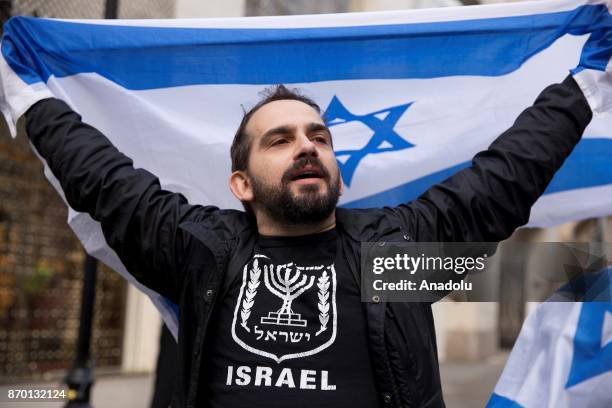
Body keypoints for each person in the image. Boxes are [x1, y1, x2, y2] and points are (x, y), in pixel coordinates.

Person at [24, 75, 592, 407]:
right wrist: (25, 97)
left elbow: (502, 180)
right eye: (280, 139)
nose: (307, 145)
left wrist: (587, 84)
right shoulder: (202, 253)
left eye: (318, 136)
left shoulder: (389, 257)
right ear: (240, 183)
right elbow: (104, 179)